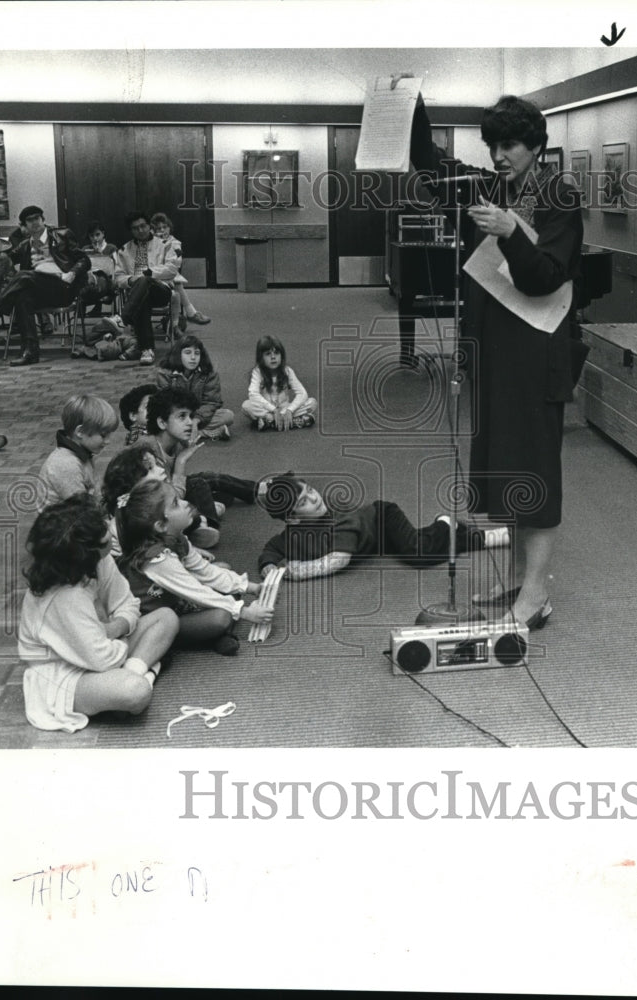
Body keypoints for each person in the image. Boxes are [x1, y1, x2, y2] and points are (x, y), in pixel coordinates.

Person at [409, 94, 584, 630]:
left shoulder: (560, 196)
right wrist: (408, 100)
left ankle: (535, 595)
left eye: (508, 145)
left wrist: (510, 233)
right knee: (506, 465)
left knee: (536, 470)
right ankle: (514, 578)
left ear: (536, 145)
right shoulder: (490, 187)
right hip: (498, 350)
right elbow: (430, 160)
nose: (499, 155)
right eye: (492, 146)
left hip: (539, 351)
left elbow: (546, 277)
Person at [18, 494, 179, 732]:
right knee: (136, 691)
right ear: (84, 551)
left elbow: (129, 604)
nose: (112, 535)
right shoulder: (64, 597)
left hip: (104, 644)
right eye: (106, 536)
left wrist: (116, 627)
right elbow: (103, 660)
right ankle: (144, 672)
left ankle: (137, 673)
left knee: (167, 618)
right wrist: (119, 638)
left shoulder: (98, 559)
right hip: (63, 673)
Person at [115, 478, 273, 656]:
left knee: (223, 567)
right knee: (221, 617)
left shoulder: (177, 538)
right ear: (161, 525)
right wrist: (243, 611)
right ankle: (207, 638)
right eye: (176, 504)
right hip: (162, 619)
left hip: (178, 599)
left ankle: (215, 636)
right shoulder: (157, 560)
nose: (186, 504)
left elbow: (206, 571)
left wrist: (249, 587)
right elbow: (195, 591)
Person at [255, 473, 509, 581]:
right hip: (375, 543)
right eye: (303, 502)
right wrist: (269, 566)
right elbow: (273, 547)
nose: (314, 498)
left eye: (310, 490)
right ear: (293, 519)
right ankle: (485, 537)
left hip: (383, 519)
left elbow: (337, 561)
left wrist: (295, 571)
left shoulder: (340, 518)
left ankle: (444, 523)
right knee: (432, 549)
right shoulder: (294, 534)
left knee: (419, 554)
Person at [0, 205, 91, 366]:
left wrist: (72, 273)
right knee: (22, 297)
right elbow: (1, 257)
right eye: (29, 221)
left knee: (23, 276)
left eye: (37, 218)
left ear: (43, 220)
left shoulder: (62, 235)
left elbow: (84, 259)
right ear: (24, 226)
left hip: (63, 287)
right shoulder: (25, 245)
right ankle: (31, 352)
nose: (34, 223)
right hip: (41, 290)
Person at [144, 387, 257, 548]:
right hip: (152, 515)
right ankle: (203, 526)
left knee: (203, 480)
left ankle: (255, 491)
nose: (190, 422)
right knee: (200, 484)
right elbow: (170, 499)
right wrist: (181, 462)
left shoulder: (173, 443)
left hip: (168, 499)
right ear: (162, 422)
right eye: (182, 417)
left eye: (190, 416)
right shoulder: (148, 453)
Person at [111, 211, 176, 366]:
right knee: (142, 298)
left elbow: (172, 269)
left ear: (149, 226)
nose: (140, 231)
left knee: (145, 281)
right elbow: (118, 277)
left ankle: (123, 318)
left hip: (161, 290)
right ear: (131, 231)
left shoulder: (164, 245)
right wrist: (130, 279)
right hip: (138, 294)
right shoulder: (124, 250)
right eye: (135, 228)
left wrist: (150, 274)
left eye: (143, 226)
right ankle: (146, 348)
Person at [38, 394, 119, 509]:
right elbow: (83, 509)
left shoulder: (81, 453)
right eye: (103, 435)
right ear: (80, 432)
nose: (108, 441)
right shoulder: (66, 464)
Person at [156, 335, 233, 441]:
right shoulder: (164, 372)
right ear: (179, 354)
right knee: (156, 420)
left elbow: (212, 402)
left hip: (198, 414)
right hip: (176, 415)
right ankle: (206, 432)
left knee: (227, 416)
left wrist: (196, 420)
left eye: (197, 353)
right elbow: (164, 403)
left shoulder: (209, 372)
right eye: (188, 353)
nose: (193, 358)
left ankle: (185, 434)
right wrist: (183, 417)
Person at [241, 335, 317, 431]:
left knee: (312, 403)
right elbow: (253, 394)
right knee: (246, 406)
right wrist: (273, 410)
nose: (273, 357)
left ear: (282, 355)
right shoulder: (257, 372)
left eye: (276, 353)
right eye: (268, 354)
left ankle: (270, 423)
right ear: (261, 358)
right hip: (268, 410)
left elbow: (302, 393)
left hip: (285, 410)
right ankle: (292, 422)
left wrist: (289, 410)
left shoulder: (287, 371)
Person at [150, 212, 211, 333]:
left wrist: (164, 246)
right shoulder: (150, 243)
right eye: (158, 229)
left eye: (165, 227)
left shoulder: (175, 244)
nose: (162, 230)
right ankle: (191, 313)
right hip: (154, 277)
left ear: (169, 227)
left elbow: (175, 265)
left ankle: (186, 315)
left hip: (166, 276)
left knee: (177, 283)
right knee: (177, 284)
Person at [80, 220, 119, 318]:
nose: (95, 238)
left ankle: (88, 302)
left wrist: (100, 254)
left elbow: (116, 266)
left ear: (103, 234)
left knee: (99, 279)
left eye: (97, 235)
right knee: (84, 279)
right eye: (91, 236)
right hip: (89, 278)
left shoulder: (111, 248)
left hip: (106, 280)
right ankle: (88, 303)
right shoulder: (85, 249)